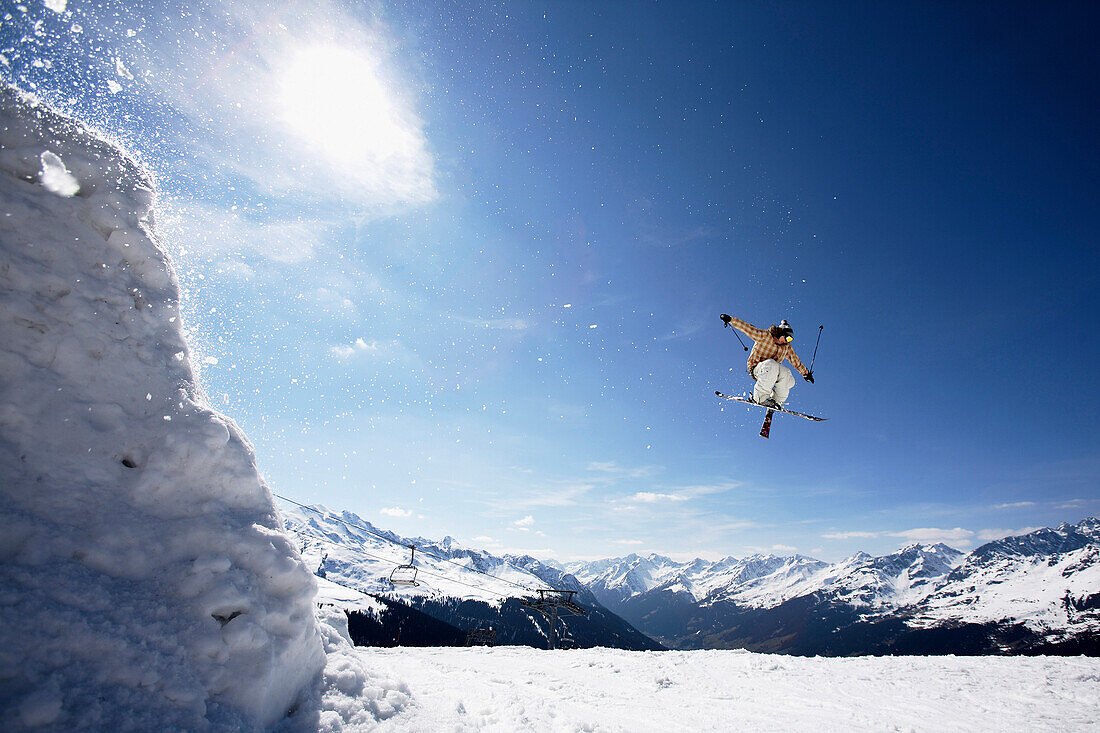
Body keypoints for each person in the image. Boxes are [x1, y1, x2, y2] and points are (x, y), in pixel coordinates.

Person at [720, 314, 814, 408]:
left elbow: (795, 360)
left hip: (772, 372)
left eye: (789, 339)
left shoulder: (786, 347)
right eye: (787, 337)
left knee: (787, 374)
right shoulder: (765, 336)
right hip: (756, 368)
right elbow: (748, 329)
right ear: (780, 332)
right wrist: (731, 320)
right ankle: (760, 398)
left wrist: (806, 374)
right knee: (772, 364)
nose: (787, 341)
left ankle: (777, 402)